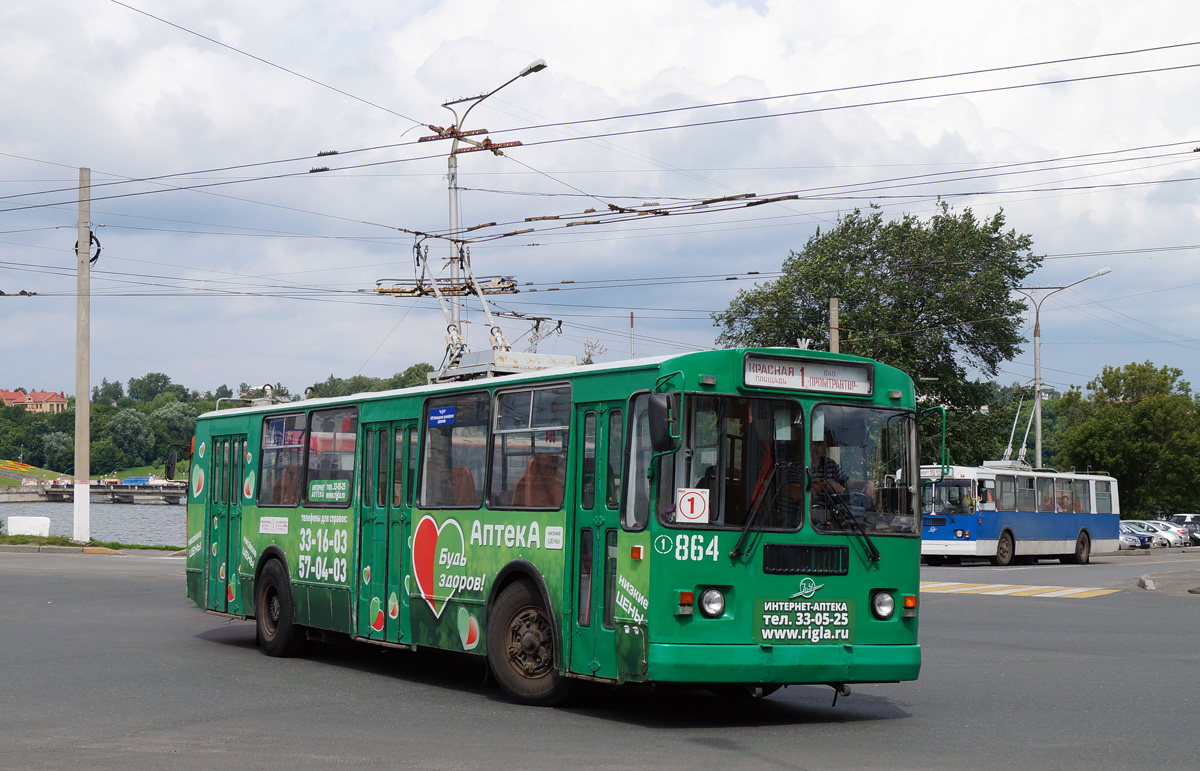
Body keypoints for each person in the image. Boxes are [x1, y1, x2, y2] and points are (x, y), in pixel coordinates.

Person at [809, 431, 874, 500]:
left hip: (830, 509)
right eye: (814, 443)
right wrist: (825, 485)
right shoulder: (801, 466)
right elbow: (797, 495)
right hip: (809, 510)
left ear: (825, 445)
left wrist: (868, 483)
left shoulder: (830, 464)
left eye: (820, 443)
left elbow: (850, 484)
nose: (816, 448)